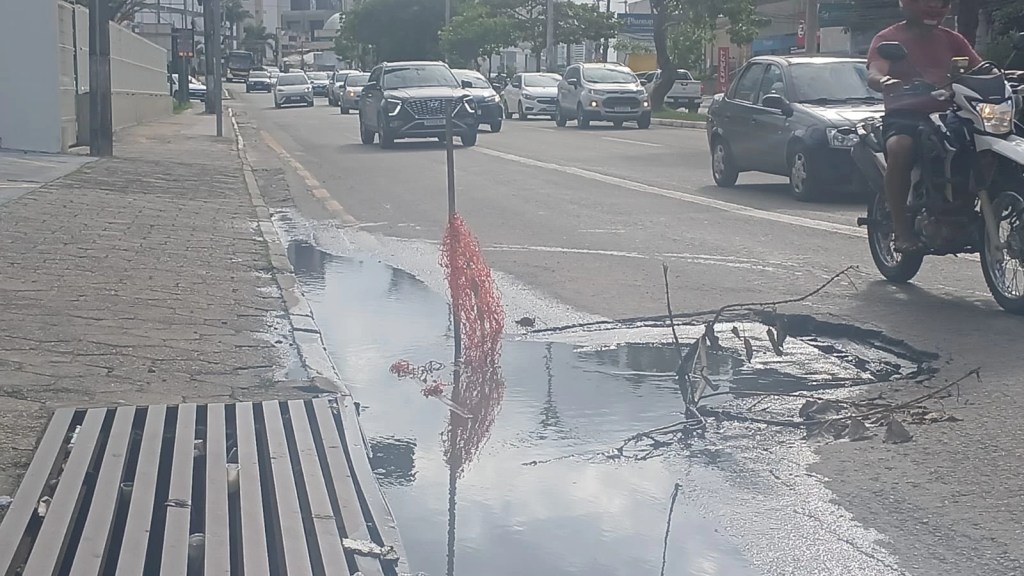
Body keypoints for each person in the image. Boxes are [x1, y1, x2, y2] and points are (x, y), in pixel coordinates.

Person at [866, 0, 981, 253]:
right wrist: (885, 81)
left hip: (950, 113)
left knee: (986, 142)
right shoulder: (888, 39)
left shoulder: (953, 39)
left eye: (940, 1)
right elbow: (875, 71)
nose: (933, 6)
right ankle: (901, 230)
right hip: (905, 114)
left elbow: (980, 69)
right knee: (900, 147)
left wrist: (1008, 76)